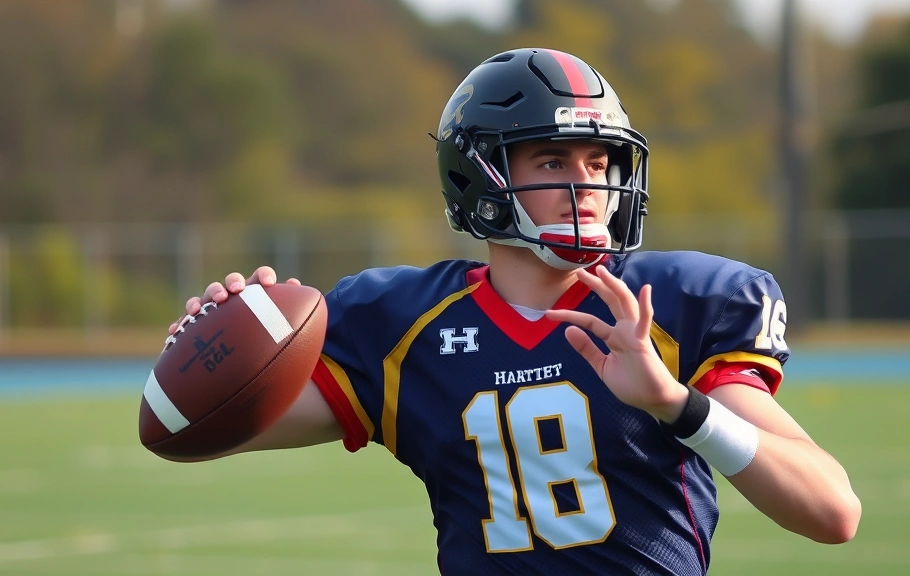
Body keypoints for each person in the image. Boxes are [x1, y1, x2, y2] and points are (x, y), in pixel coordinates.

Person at [167, 48, 860, 575]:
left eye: (599, 161)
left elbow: (833, 511)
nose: (585, 185)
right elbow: (193, 426)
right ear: (480, 177)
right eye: (553, 160)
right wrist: (213, 349)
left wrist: (678, 406)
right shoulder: (403, 326)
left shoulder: (673, 305)